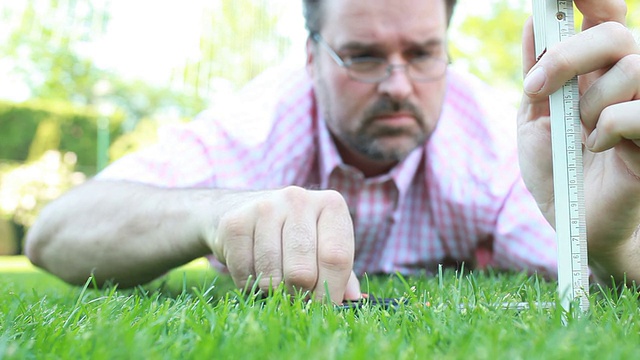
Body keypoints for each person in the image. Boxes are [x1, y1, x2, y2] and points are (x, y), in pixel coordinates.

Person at [24, 0, 640, 303]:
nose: (399, 86)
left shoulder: (491, 143)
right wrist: (210, 215)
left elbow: (603, 265)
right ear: (310, 56)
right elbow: (55, 234)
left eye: (423, 54)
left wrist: (609, 240)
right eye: (364, 56)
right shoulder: (260, 123)